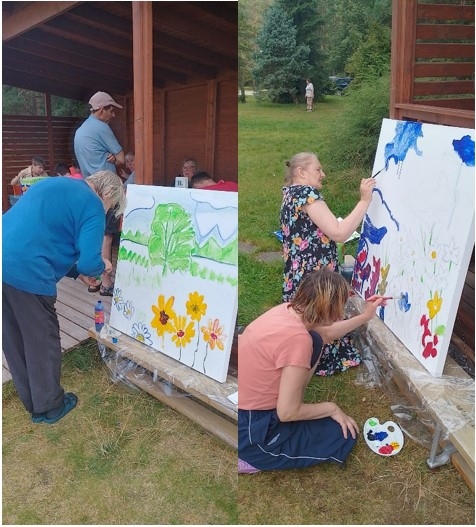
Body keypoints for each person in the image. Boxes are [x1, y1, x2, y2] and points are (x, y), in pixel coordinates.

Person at [3, 170, 126, 425]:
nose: (107, 213)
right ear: (108, 194)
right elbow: (91, 261)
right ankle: (51, 407)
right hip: (28, 271)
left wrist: (77, 274)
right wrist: (103, 265)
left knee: (13, 337)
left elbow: (50, 237)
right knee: (42, 339)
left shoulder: (56, 184)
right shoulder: (93, 204)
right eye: (112, 207)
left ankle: (33, 403)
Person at [238, 268, 385, 473]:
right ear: (328, 308)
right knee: (341, 435)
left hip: (244, 403)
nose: (341, 314)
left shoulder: (287, 310)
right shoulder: (298, 340)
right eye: (340, 306)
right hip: (253, 429)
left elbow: (326, 334)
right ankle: (252, 457)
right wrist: (331, 408)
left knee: (316, 340)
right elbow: (287, 413)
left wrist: (366, 316)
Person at [281, 152, 376, 376]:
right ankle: (318, 356)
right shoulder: (306, 193)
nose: (323, 174)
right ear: (301, 172)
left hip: (298, 269)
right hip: (314, 271)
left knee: (306, 314)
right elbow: (339, 233)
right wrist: (364, 201)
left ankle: (300, 353)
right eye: (318, 169)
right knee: (319, 312)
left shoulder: (289, 193)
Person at [74, 91, 125, 296]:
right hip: (107, 189)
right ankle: (106, 282)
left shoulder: (81, 131)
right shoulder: (101, 128)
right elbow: (122, 158)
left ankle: (93, 279)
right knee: (107, 236)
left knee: (92, 233)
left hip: (90, 188)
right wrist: (113, 157)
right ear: (102, 110)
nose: (113, 114)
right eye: (111, 110)